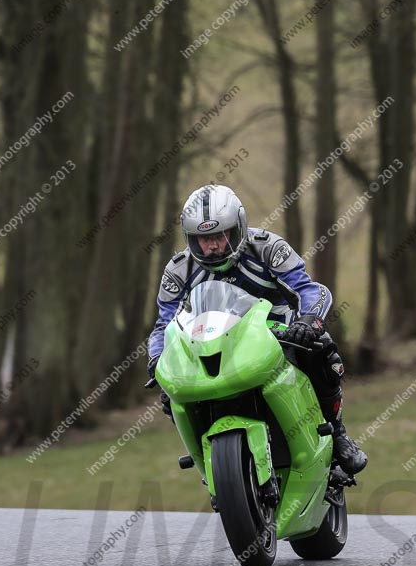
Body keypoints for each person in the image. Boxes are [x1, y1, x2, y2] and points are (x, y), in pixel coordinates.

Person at [147, 184, 367, 475]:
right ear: (190, 240)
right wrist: (158, 359)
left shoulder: (268, 248)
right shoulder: (178, 271)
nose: (211, 246)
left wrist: (308, 322)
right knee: (171, 392)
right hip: (211, 345)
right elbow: (165, 324)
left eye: (218, 236)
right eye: (202, 240)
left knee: (322, 348)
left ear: (238, 228)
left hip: (277, 334)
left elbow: (309, 290)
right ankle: (208, 464)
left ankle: (337, 434)